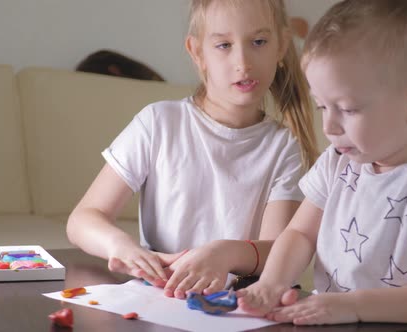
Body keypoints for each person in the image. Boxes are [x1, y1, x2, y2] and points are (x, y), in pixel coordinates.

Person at [237, 0, 407, 329]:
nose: (329, 127)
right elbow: (300, 233)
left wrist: (352, 306)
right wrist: (271, 283)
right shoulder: (337, 162)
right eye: (322, 107)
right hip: (330, 320)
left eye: (348, 109)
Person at [67, 0, 318, 300]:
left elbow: (277, 251)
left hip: (236, 306)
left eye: (259, 42)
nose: (243, 61)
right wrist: (121, 245)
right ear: (197, 52)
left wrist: (224, 253)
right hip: (160, 298)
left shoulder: (284, 146)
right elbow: (83, 219)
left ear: (281, 47)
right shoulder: (158, 123)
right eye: (224, 45)